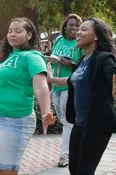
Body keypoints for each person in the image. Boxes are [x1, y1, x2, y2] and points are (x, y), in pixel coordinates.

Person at [0, 17, 56, 175]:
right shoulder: (7, 57)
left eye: (18, 31)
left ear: (29, 35)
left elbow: (41, 85)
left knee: (5, 171)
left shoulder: (32, 57)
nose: (12, 34)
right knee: (3, 170)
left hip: (15, 120)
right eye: (10, 31)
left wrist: (46, 112)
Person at [47, 18, 116, 175]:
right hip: (79, 123)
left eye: (84, 29)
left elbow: (112, 81)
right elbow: (71, 81)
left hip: (97, 125)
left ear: (97, 36)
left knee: (84, 171)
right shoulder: (82, 61)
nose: (78, 32)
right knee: (74, 169)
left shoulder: (104, 59)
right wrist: (51, 79)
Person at [46, 14, 83, 167]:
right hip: (55, 86)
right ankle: (77, 145)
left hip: (69, 86)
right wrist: (52, 59)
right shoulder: (60, 40)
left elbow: (80, 64)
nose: (73, 28)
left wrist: (70, 63)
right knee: (64, 120)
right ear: (65, 27)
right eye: (70, 25)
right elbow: (54, 55)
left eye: (76, 26)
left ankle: (64, 156)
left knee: (67, 121)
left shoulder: (79, 44)